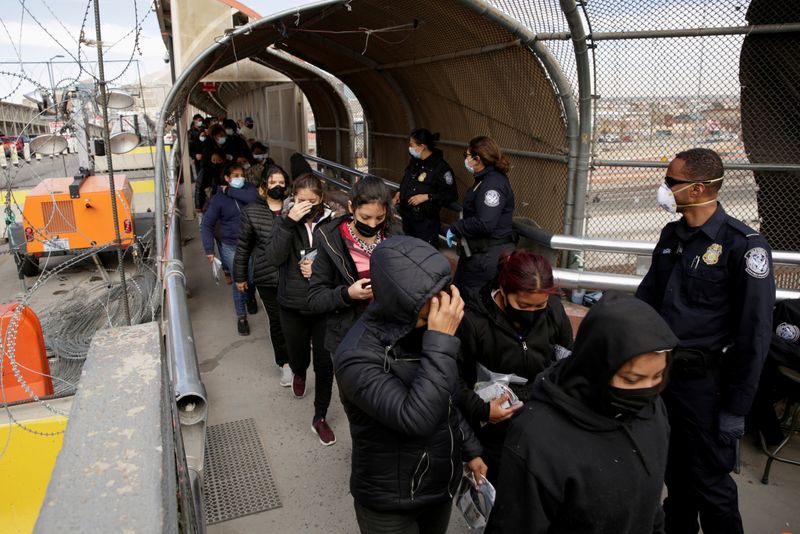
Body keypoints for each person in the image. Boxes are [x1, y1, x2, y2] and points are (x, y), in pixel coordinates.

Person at [636, 147, 776, 534]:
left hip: (708, 388)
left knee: (710, 485)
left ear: (697, 189)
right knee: (675, 477)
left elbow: (754, 335)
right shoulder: (672, 235)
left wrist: (737, 406)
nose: (664, 189)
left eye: (671, 182)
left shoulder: (744, 247)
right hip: (666, 380)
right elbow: (648, 298)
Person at [486, 293, 679, 534]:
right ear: (596, 367)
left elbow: (649, 504)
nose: (648, 391)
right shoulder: (536, 439)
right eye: (632, 379)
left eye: (658, 376)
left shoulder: (651, 409)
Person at [334, 236, 487, 534]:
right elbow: (416, 418)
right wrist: (441, 340)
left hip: (438, 488)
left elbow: (448, 398)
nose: (434, 319)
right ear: (398, 306)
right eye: (424, 315)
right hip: (391, 502)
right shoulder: (356, 357)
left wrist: (470, 449)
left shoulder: (424, 333)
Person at [457, 249, 573, 483]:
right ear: (502, 290)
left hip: (543, 427)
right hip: (494, 432)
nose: (532, 313)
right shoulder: (473, 321)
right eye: (523, 305)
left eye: (539, 306)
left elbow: (568, 366)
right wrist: (483, 412)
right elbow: (454, 383)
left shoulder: (554, 311)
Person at [266, 173, 339, 446]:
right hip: (293, 304)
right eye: (300, 200)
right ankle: (298, 370)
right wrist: (288, 222)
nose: (306, 205)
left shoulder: (333, 222)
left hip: (323, 304)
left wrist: (319, 269)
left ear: (321, 198)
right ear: (292, 198)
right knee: (298, 355)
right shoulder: (284, 220)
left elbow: (341, 260)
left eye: (312, 200)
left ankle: (319, 417)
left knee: (324, 362)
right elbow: (274, 258)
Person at [308, 175, 394, 355]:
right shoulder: (330, 239)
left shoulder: (394, 235)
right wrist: (347, 294)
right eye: (365, 217)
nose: (373, 224)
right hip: (348, 336)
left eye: (380, 218)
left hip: (389, 334)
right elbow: (315, 298)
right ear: (351, 208)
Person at [234, 165, 291, 385]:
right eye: (273, 182)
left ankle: (297, 351)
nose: (277, 186)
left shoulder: (292, 209)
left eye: (282, 183)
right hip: (267, 277)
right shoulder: (251, 212)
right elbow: (243, 247)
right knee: (277, 320)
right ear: (264, 186)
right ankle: (285, 364)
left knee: (295, 316)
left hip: (293, 274)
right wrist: (240, 276)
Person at [448, 136, 515, 294]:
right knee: (458, 293)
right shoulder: (484, 180)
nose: (465, 160)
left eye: (467, 156)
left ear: (477, 159)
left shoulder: (493, 184)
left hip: (487, 256)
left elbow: (485, 223)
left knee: (472, 303)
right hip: (476, 254)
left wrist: (456, 228)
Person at [201, 162, 258, 335]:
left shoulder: (249, 189)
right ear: (226, 178)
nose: (239, 179)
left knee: (252, 276)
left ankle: (250, 297)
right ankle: (241, 317)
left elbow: (253, 199)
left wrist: (229, 190)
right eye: (235, 176)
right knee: (238, 279)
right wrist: (209, 249)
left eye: (241, 175)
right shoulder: (218, 199)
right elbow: (207, 224)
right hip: (231, 246)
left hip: (253, 243)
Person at [396, 128, 458, 247]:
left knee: (425, 255)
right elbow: (407, 180)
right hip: (408, 217)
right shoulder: (415, 161)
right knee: (410, 251)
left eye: (411, 145)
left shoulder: (440, 168)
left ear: (422, 146)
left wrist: (428, 197)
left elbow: (451, 194)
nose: (410, 148)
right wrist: (400, 192)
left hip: (425, 222)